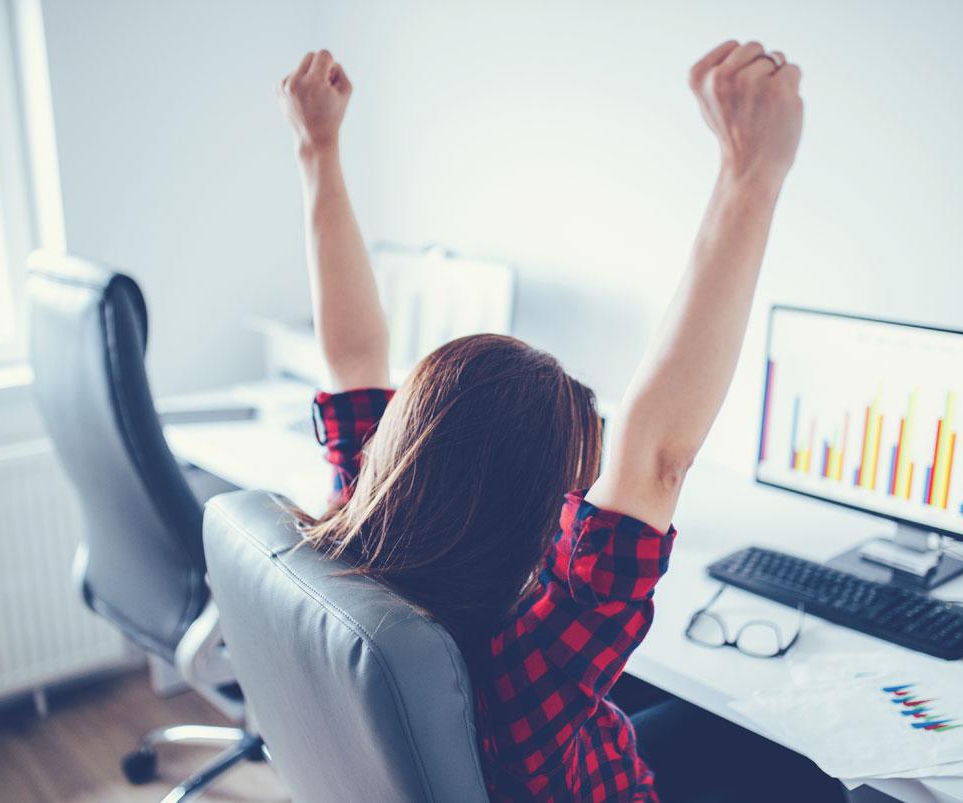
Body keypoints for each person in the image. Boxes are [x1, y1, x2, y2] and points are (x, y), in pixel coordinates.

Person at [277, 41, 842, 802]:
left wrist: (319, 149)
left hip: (577, 751)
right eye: (568, 496)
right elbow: (657, 455)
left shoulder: (364, 533)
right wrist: (750, 174)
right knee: (803, 765)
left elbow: (351, 357)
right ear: (529, 526)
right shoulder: (518, 672)